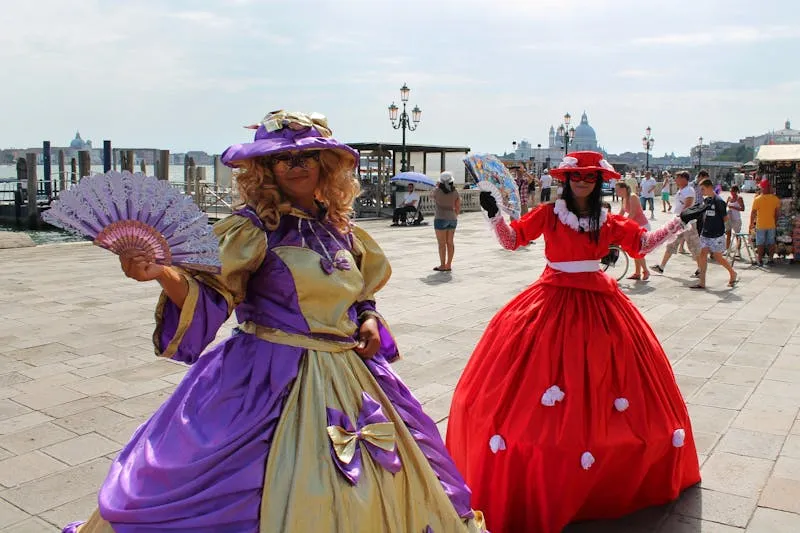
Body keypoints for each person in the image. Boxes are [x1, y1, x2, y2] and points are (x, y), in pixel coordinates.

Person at [63, 110, 487, 533]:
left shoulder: (341, 229)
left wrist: (369, 317)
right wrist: (161, 272)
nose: (296, 167)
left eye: (306, 157)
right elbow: (212, 294)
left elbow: (359, 292)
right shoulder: (252, 230)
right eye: (284, 159)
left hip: (352, 373)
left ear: (326, 165)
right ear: (266, 168)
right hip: (268, 374)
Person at [446, 151, 700, 533]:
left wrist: (679, 222)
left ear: (599, 181)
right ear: (566, 180)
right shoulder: (549, 214)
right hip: (552, 298)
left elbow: (643, 243)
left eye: (589, 176)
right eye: (576, 175)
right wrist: (494, 213)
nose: (582, 181)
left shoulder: (607, 219)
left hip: (599, 300)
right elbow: (514, 240)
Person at [683, 179, 738, 289]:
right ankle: (702, 282)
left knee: (718, 257)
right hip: (705, 233)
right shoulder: (707, 200)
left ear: (709, 187)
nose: (701, 191)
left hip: (716, 234)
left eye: (702, 189)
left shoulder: (719, 201)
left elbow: (725, 218)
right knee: (702, 255)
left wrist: (726, 233)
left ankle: (732, 273)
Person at [651, 171, 701, 275]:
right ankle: (661, 266)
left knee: (693, 247)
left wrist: (679, 217)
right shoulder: (681, 190)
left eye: (677, 178)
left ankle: (701, 269)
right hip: (679, 222)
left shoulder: (689, 190)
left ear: (684, 179)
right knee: (671, 244)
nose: (675, 180)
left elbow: (688, 205)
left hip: (688, 223)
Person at [616, 180, 651, 281]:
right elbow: (621, 213)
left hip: (641, 226)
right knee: (634, 250)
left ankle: (645, 271)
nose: (616, 192)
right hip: (634, 227)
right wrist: (614, 221)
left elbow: (633, 213)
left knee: (637, 250)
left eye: (618, 190)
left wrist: (623, 224)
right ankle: (637, 273)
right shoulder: (624, 199)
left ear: (623, 189)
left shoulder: (632, 196)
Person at [433, 170, 461, 272]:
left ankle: (442, 265)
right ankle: (448, 264)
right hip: (452, 218)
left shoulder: (436, 191)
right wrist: (454, 215)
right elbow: (458, 207)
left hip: (440, 218)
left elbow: (431, 196)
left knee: (442, 244)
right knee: (450, 242)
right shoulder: (455, 192)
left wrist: (437, 186)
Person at [750, 179, 781, 266]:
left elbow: (753, 213)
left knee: (760, 243)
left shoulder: (757, 199)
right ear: (768, 187)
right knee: (771, 242)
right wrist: (775, 222)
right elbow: (777, 214)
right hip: (771, 224)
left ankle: (760, 259)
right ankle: (770, 259)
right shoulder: (775, 199)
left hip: (760, 224)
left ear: (763, 188)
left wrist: (751, 223)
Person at [725, 185, 745, 251]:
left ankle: (738, 251)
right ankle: (728, 250)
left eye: (733, 191)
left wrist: (734, 208)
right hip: (728, 218)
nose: (731, 192)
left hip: (736, 219)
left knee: (737, 235)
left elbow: (743, 209)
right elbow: (725, 206)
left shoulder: (739, 198)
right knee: (728, 235)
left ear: (736, 191)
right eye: (730, 191)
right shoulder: (729, 198)